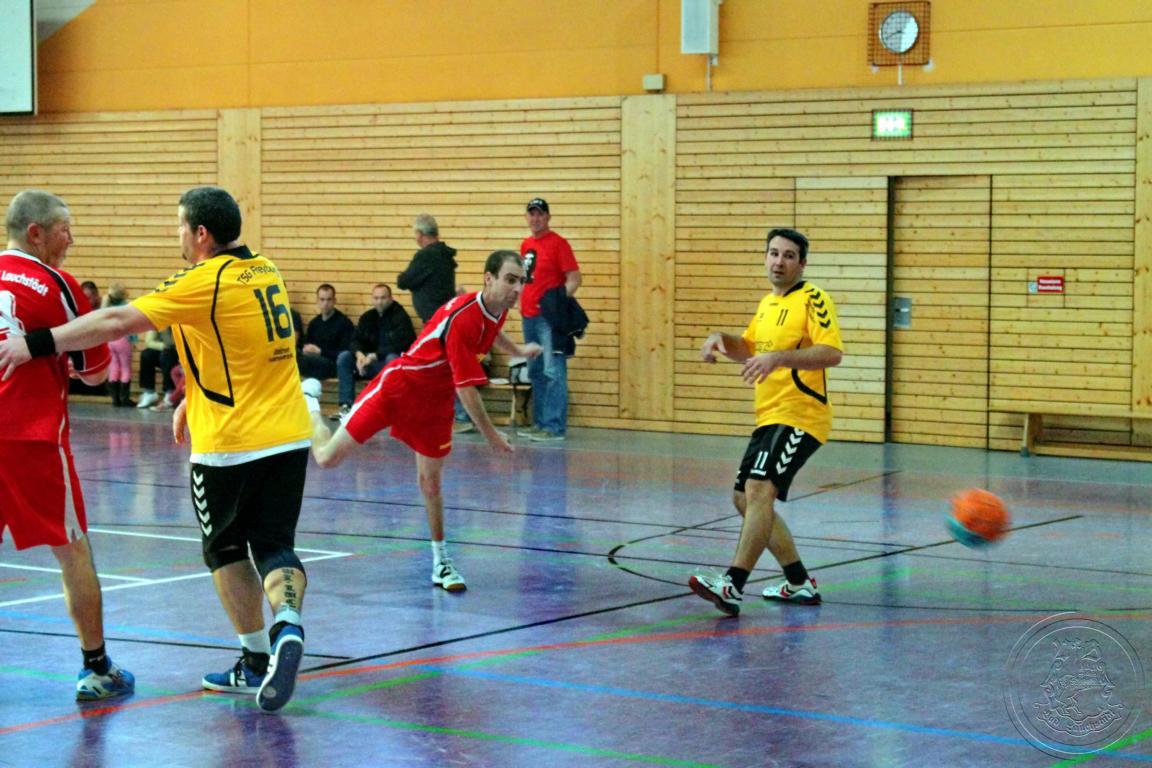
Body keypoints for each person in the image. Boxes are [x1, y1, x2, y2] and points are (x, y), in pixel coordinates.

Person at [0, 186, 313, 712]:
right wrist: (192, 394)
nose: (177, 236)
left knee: (225, 551)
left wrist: (32, 344)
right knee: (275, 545)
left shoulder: (200, 281)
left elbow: (117, 321)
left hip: (230, 441)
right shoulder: (266, 270)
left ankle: (256, 658)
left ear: (201, 234)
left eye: (180, 226)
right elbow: (241, 345)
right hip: (287, 433)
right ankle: (288, 623)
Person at [301, 250, 541, 592]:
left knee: (431, 483)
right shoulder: (464, 318)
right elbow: (466, 389)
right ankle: (310, 402)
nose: (517, 289)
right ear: (489, 279)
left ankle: (441, 562)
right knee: (326, 458)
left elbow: (493, 332)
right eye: (510, 280)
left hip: (435, 403)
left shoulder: (496, 308)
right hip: (399, 388)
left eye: (521, 282)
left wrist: (517, 350)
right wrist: (491, 435)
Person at [0, 189, 135, 700]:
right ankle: (96, 668)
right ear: (35, 233)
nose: (71, 239)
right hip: (29, 437)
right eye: (63, 230)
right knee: (73, 550)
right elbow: (96, 373)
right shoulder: (54, 284)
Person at [688, 228, 843, 616]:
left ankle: (733, 584)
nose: (779, 261)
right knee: (743, 497)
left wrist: (779, 358)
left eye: (788, 256)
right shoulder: (767, 304)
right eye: (773, 253)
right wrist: (719, 338)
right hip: (769, 415)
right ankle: (798, 582)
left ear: (802, 264)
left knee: (759, 489)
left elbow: (831, 352)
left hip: (801, 414)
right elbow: (750, 349)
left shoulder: (813, 298)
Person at [520, 197, 581, 442]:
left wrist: (557, 303)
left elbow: (574, 278)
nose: (535, 218)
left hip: (549, 319)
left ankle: (554, 426)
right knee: (536, 372)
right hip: (528, 316)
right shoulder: (526, 245)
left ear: (548, 217)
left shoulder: (559, 244)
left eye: (540, 214)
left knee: (553, 371)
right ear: (527, 217)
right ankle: (540, 423)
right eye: (532, 214)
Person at [332, 284, 416, 421]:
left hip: (386, 365)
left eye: (383, 298)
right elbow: (355, 340)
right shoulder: (368, 317)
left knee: (392, 359)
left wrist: (375, 356)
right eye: (376, 298)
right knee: (344, 357)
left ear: (391, 298)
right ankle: (346, 406)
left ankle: (391, 408)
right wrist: (359, 355)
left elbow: (402, 344)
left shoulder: (400, 317)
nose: (379, 302)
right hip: (368, 364)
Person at [396, 213, 457, 324]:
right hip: (446, 315)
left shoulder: (426, 256)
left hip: (434, 319)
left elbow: (403, 282)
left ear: (419, 234)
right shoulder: (445, 253)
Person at [297, 283, 354, 381]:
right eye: (322, 299)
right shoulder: (314, 323)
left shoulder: (344, 323)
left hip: (332, 365)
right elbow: (306, 344)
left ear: (334, 301)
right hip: (312, 360)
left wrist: (320, 351)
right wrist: (306, 349)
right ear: (317, 301)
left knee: (304, 361)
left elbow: (345, 354)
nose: (325, 303)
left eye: (329, 299)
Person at [101, 282, 135, 407]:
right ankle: (125, 398)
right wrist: (133, 340)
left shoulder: (106, 308)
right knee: (126, 368)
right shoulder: (126, 307)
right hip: (123, 339)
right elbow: (131, 325)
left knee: (114, 368)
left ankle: (115, 399)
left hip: (109, 341)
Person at [136, 327, 179, 409]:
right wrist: (164, 346)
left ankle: (170, 392)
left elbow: (172, 343)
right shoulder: (159, 322)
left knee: (167, 355)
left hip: (178, 353)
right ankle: (149, 392)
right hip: (165, 351)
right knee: (146, 354)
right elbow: (149, 342)